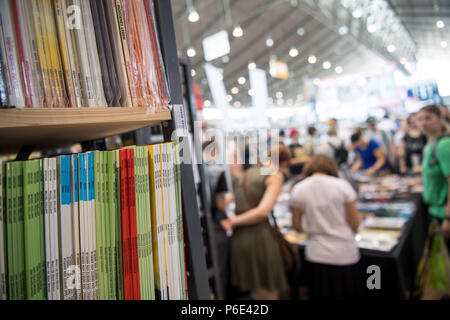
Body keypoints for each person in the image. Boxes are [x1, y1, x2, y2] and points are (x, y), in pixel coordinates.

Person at [221, 144, 291, 300]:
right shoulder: (275, 175)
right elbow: (263, 211)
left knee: (254, 290)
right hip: (260, 238)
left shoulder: (247, 174)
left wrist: (233, 221)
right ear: (285, 163)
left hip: (239, 240)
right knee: (268, 291)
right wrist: (234, 221)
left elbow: (227, 200)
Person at [290, 155, 361, 300]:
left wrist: (313, 229)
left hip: (316, 252)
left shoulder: (299, 188)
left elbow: (296, 225)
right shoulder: (342, 186)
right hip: (344, 251)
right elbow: (354, 222)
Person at [417, 105, 450, 248]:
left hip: (443, 213)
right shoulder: (430, 145)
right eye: (420, 119)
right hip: (435, 211)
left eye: (428, 118)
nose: (423, 123)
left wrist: (448, 218)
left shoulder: (444, 145)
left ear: (440, 119)